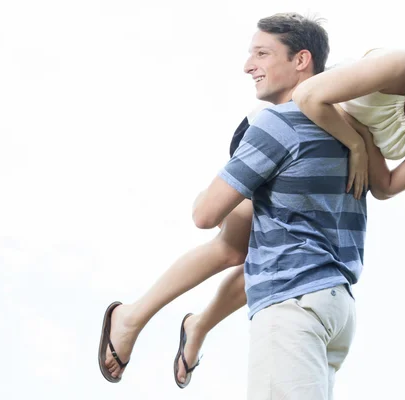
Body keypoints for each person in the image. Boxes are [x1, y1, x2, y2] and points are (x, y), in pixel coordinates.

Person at [100, 14, 365, 398]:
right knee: (239, 249)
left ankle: (155, 320)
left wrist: (213, 196)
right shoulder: (351, 127)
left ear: (301, 59)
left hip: (297, 299)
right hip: (335, 302)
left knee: (234, 247)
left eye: (261, 53)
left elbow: (204, 215)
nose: (248, 66)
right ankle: (161, 321)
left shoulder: (280, 122)